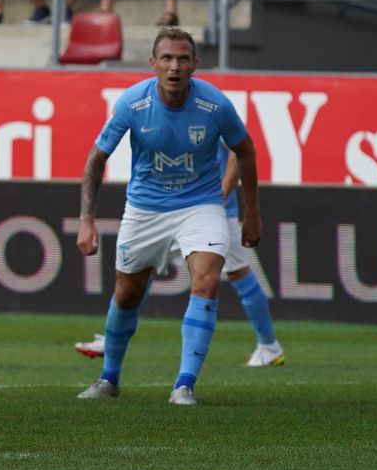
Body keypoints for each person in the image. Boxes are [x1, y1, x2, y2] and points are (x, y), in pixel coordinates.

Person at [76, 28, 262, 406]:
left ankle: (184, 384)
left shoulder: (216, 105)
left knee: (207, 282)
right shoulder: (133, 102)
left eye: (182, 59)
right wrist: (86, 219)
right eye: (167, 59)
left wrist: (251, 212)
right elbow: (97, 158)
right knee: (127, 294)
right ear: (153, 64)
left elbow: (245, 151)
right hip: (145, 208)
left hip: (201, 205)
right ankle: (109, 377)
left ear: (194, 64)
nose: (174, 66)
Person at [74, 144, 285, 368]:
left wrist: (221, 194)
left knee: (238, 273)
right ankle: (113, 338)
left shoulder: (212, 109)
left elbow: (237, 152)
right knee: (143, 269)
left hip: (211, 211)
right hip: (178, 208)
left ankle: (269, 345)